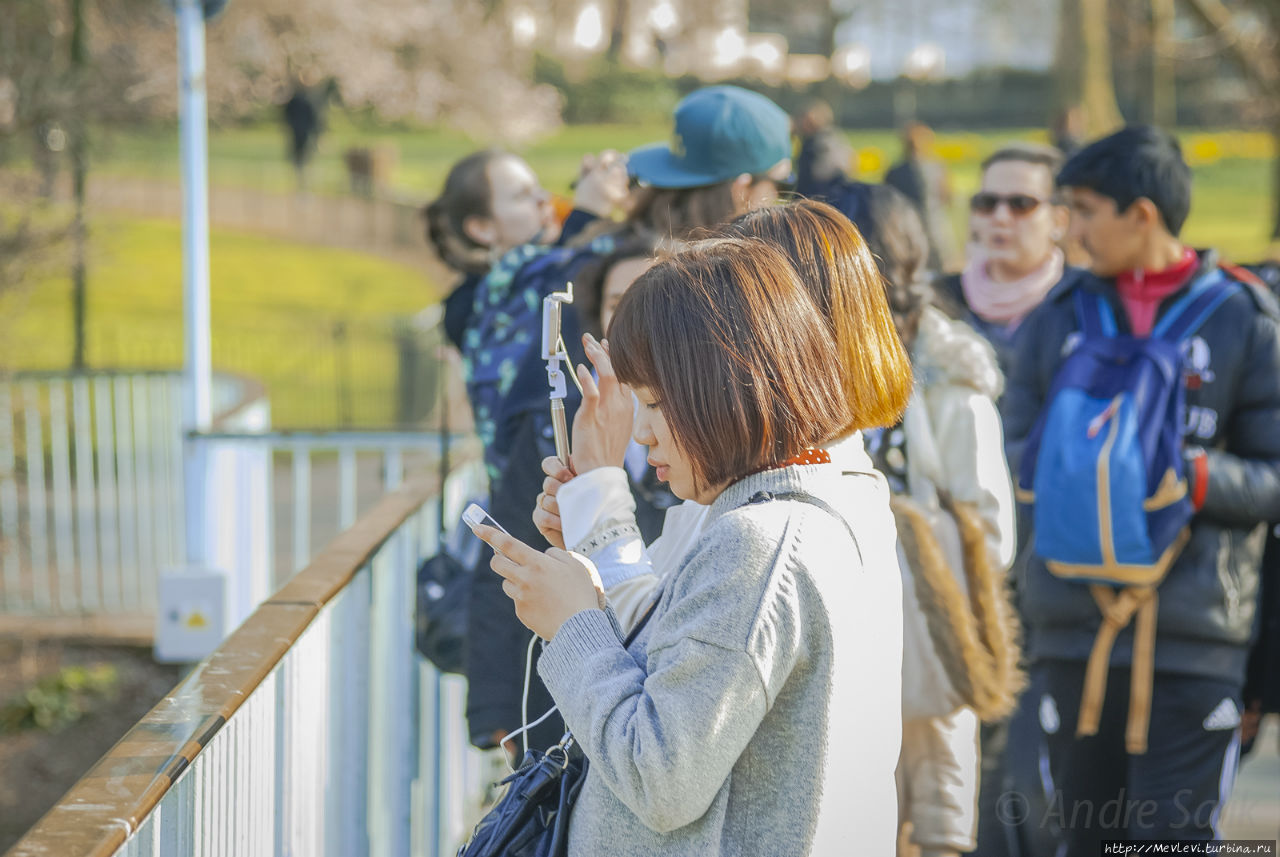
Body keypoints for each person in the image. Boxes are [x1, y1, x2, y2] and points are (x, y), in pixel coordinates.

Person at [472, 237, 909, 855]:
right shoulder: (800, 512)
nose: (641, 432)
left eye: (652, 403)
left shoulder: (756, 543)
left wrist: (573, 624)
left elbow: (662, 779)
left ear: (723, 387)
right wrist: (590, 587)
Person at [1003, 125, 1280, 853]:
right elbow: (1015, 449)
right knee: (1082, 839)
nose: (1072, 229)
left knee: (1175, 841)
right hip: (1073, 628)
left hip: (1194, 638)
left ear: (1143, 214)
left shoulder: (1243, 319)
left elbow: (1273, 475)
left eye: (1086, 210)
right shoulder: (1059, 316)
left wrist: (1186, 475)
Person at [534, 199, 912, 631]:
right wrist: (588, 543)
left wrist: (601, 506)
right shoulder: (779, 474)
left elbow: (655, 660)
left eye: (731, 291)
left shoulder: (773, 516)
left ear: (787, 320)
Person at [859, 184, 1021, 857]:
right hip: (846, 633)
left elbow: (990, 529)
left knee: (936, 823)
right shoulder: (814, 362)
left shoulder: (950, 368)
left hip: (930, 629)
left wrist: (899, 532)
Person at [424, 149, 623, 351]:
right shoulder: (467, 308)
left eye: (537, 188)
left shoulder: (557, 258)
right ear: (482, 228)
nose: (544, 198)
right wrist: (586, 216)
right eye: (522, 195)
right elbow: (545, 306)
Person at [935, 143, 1086, 381]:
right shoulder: (937, 303)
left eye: (1021, 204)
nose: (1001, 217)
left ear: (1059, 221)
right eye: (987, 202)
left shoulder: (1085, 305)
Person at [623, 85, 795, 240]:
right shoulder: (736, 272)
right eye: (783, 184)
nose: (778, 200)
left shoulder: (620, 239)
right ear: (740, 189)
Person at [885, 122, 957, 271]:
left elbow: (887, 203)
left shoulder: (894, 172)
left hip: (906, 231)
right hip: (936, 228)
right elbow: (947, 197)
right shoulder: (937, 168)